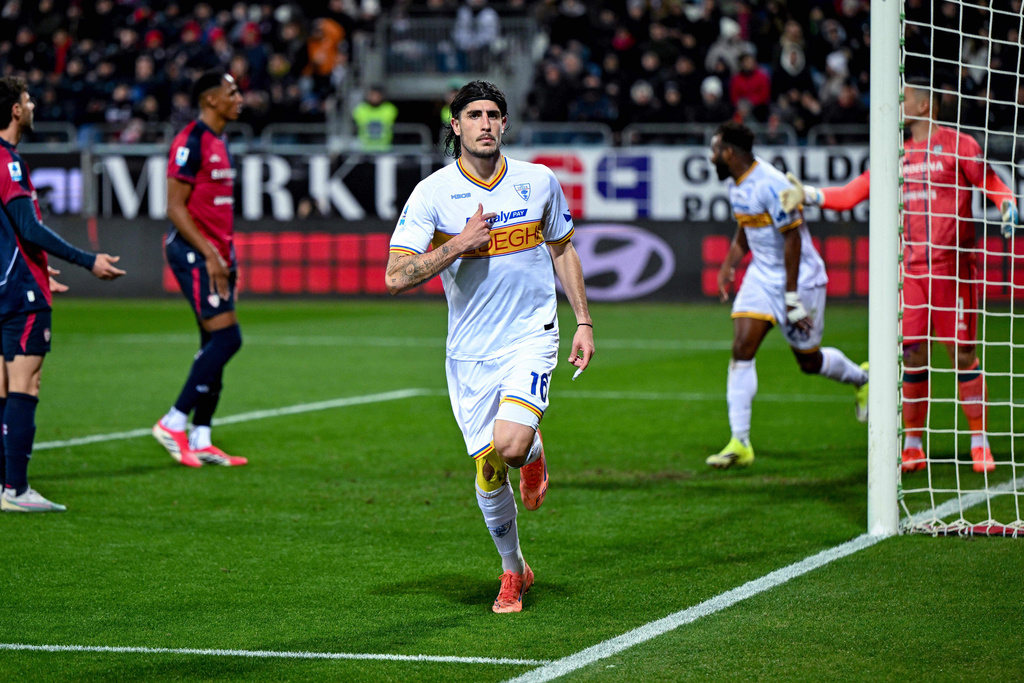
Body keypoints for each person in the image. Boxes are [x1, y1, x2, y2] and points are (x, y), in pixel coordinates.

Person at [386, 81, 594, 613]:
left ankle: (530, 451)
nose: (485, 123)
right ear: (455, 126)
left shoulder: (538, 181)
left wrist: (584, 321)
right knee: (488, 468)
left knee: (510, 444)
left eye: (493, 114)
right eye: (473, 115)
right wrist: (458, 245)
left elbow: (563, 248)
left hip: (532, 336)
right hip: (469, 353)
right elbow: (395, 276)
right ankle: (513, 570)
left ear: (505, 124)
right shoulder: (432, 193)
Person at [780, 78, 1022, 474]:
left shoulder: (960, 145)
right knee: (912, 355)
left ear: (925, 105)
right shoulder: (897, 155)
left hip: (953, 272)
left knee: (962, 354)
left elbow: (992, 182)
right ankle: (912, 444)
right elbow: (852, 192)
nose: (898, 102)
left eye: (904, 97)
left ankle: (980, 442)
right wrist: (807, 193)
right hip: (911, 272)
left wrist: (1008, 205)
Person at [709, 121, 868, 469]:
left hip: (801, 280)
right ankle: (741, 442)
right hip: (761, 279)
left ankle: (862, 379)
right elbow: (744, 227)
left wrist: (792, 295)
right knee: (741, 349)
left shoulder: (770, 182)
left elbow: (793, 238)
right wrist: (729, 265)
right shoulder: (737, 184)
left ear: (729, 153)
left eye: (715, 150)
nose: (711, 157)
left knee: (808, 362)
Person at [0, 76, 126, 512]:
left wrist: (34, 265)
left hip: (7, 282)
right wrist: (86, 259)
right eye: (28, 99)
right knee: (26, 384)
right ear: (15, 111)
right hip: (21, 294)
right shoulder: (9, 163)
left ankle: (5, 484)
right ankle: (15, 490)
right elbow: (29, 227)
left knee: (3, 386)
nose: (33, 104)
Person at [152, 71, 248, 469]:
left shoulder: (220, 140)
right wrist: (209, 254)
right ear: (210, 100)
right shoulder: (190, 140)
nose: (239, 98)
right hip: (194, 252)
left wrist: (225, 254)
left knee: (212, 344)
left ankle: (202, 436)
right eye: (232, 92)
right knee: (227, 340)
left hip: (217, 252)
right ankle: (172, 422)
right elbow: (174, 206)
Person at [352, 85, 399, 152]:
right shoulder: (360, 110)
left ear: (381, 96)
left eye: (377, 95)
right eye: (372, 95)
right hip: (364, 148)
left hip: (385, 148)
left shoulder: (390, 109)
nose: (374, 98)